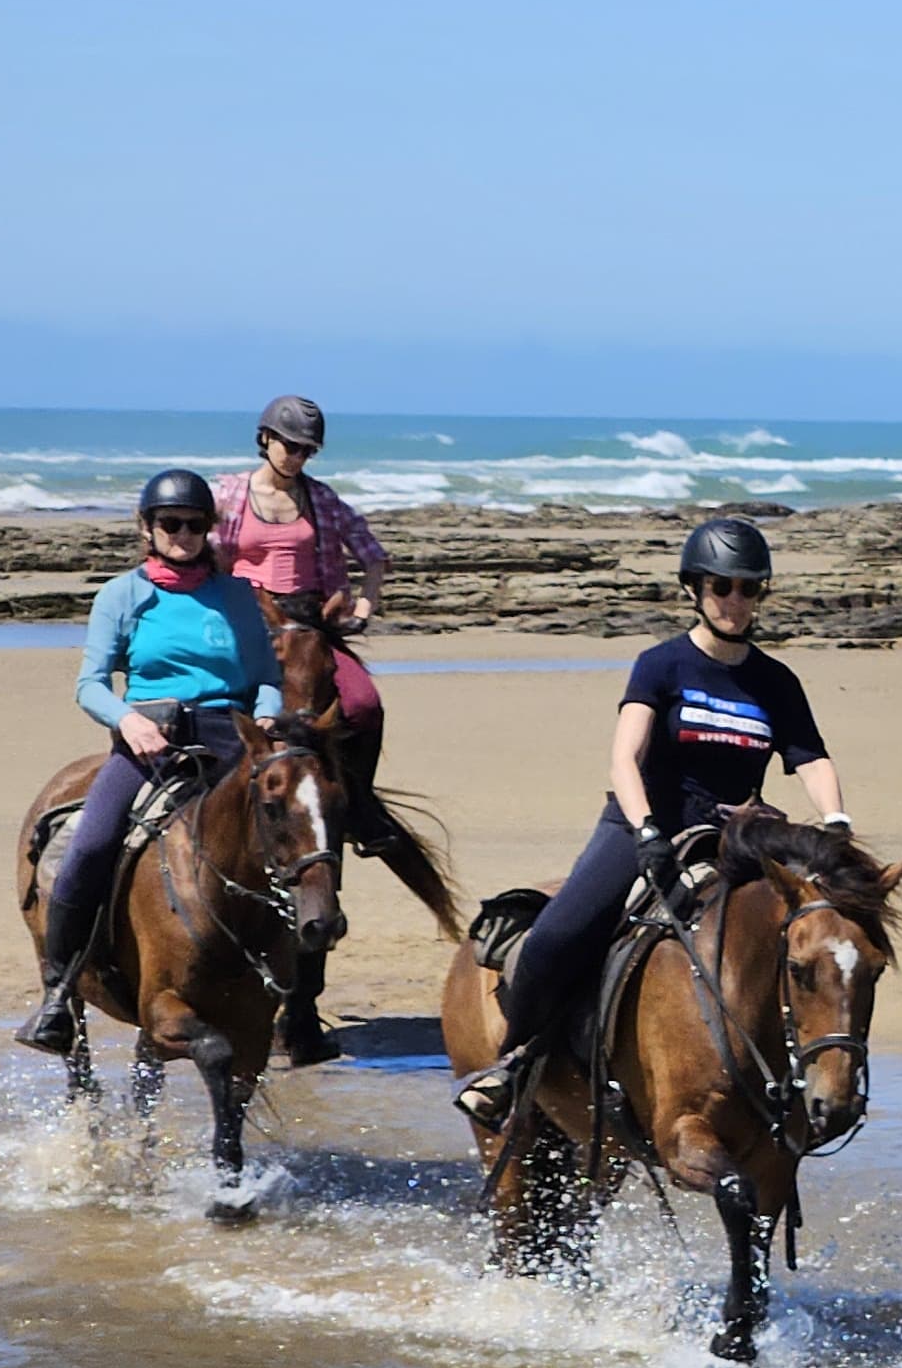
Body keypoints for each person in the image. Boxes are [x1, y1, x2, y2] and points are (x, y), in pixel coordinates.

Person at [454, 516, 846, 1131]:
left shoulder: (775, 681)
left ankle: (801, 1075)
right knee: (556, 941)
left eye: (749, 588)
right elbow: (624, 756)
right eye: (722, 587)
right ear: (693, 589)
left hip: (737, 838)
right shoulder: (661, 665)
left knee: (817, 939)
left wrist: (836, 820)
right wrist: (645, 831)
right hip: (644, 829)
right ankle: (516, 1062)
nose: (736, 601)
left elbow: (810, 759)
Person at [20, 470, 287, 1053]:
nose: (183, 535)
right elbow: (90, 684)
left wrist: (267, 716)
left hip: (232, 740)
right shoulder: (123, 595)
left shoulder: (238, 596)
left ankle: (294, 990)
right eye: (171, 524)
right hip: (151, 740)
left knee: (295, 840)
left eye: (195, 525)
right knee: (90, 845)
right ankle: (58, 993)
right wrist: (128, 721)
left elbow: (267, 679)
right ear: (147, 528)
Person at [214, 394, 393, 1061]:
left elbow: (372, 552)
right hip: (246, 629)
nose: (297, 455)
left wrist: (366, 600)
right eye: (288, 444)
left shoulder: (323, 501)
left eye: (306, 448)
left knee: (364, 704)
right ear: (264, 440)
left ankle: (362, 809)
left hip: (312, 629)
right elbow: (200, 553)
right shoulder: (230, 494)